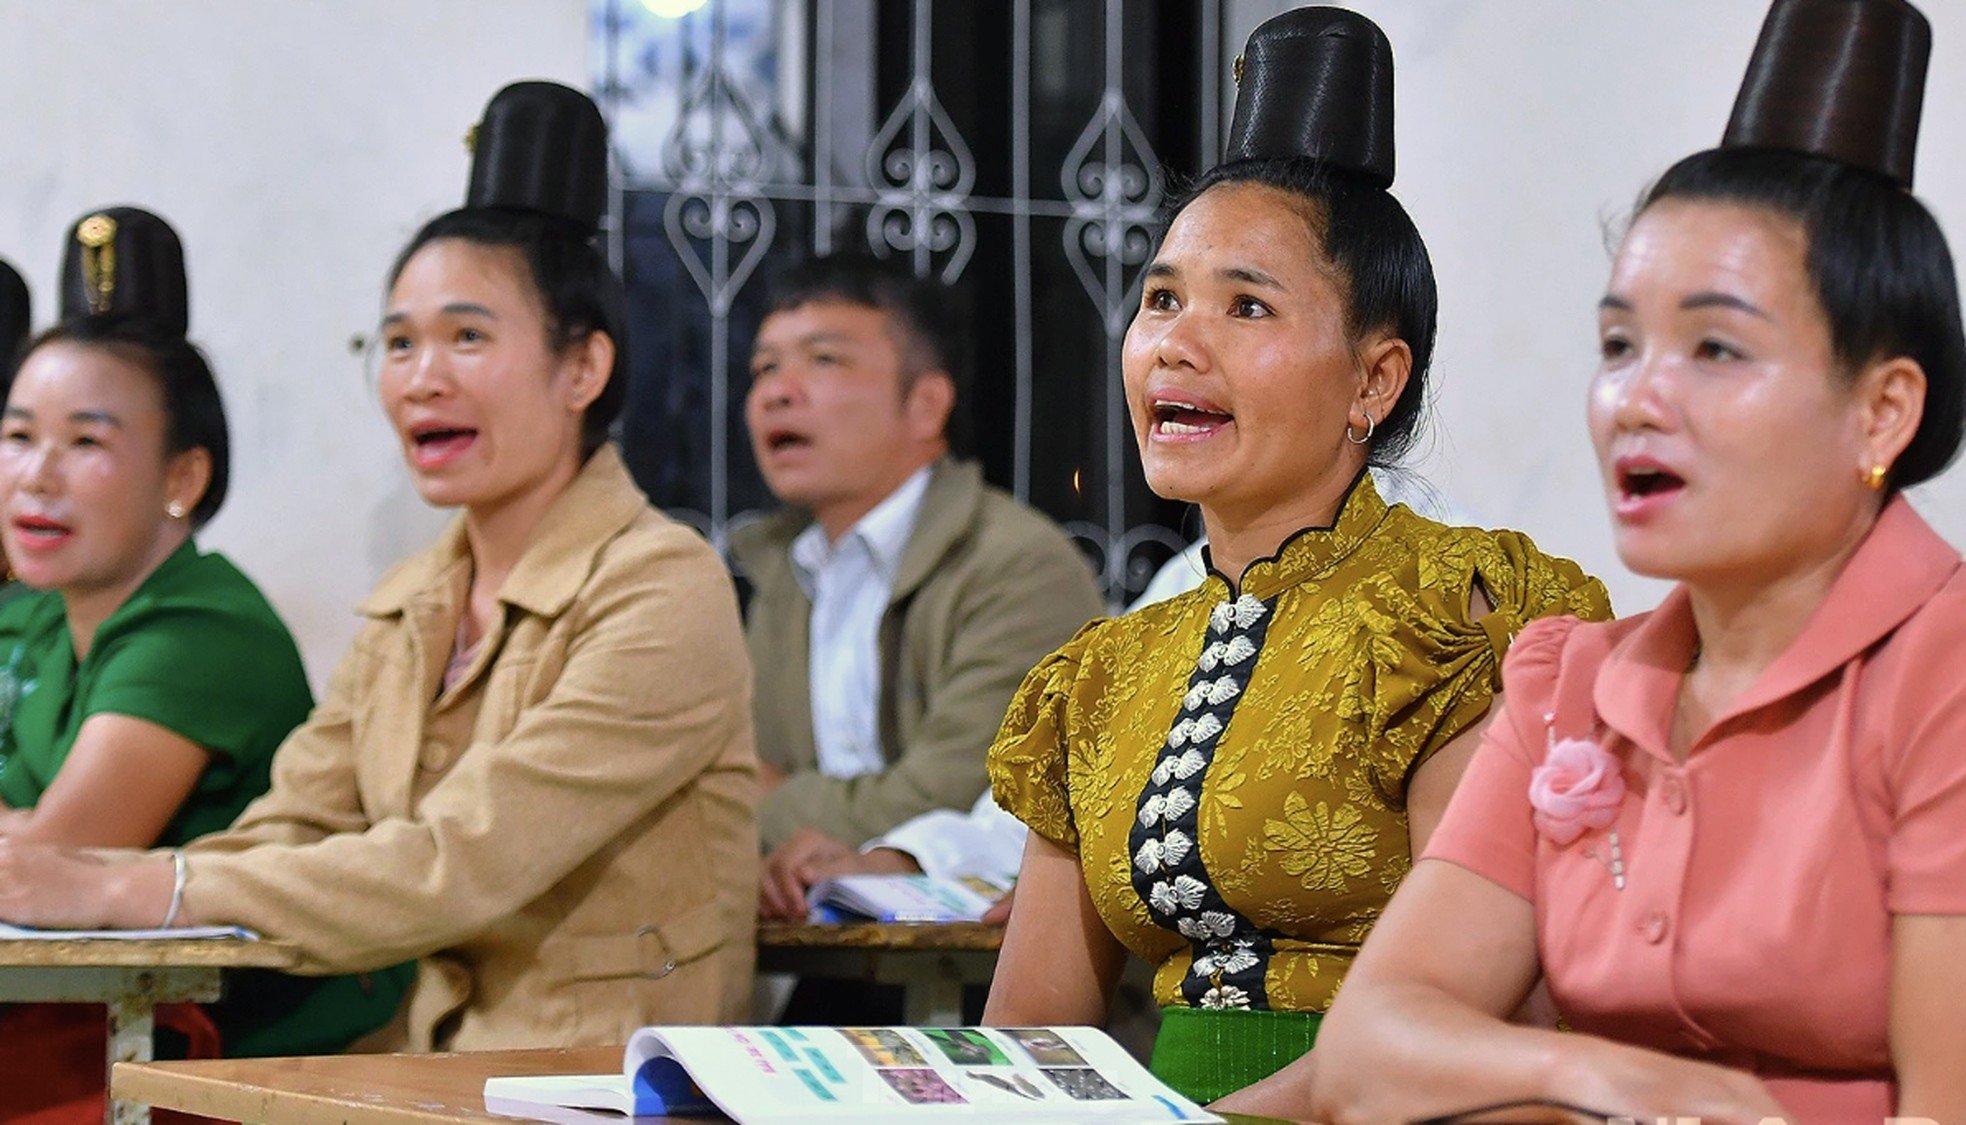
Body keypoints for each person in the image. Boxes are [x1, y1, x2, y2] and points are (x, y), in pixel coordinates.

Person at [1305, 2, 1966, 1122]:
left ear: (1880, 411)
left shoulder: (1943, 677)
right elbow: (1370, 1049)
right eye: (1619, 344)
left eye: (1715, 348)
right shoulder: (1568, 685)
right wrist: (1599, 1072)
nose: (1636, 400)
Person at [0, 81, 759, 1051]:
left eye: (467, 336)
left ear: (583, 370)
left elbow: (462, 858)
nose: (420, 376)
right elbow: (293, 823)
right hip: (408, 1067)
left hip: (599, 1076)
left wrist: (121, 885)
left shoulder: (662, 586)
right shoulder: (415, 601)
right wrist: (122, 885)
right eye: (398, 342)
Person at [981, 6, 1611, 1106]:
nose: (1177, 338)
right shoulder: (1104, 676)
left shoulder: (1455, 614)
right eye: (1162, 298)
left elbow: (1496, 1008)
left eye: (1247, 305)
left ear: (1374, 380)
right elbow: (1027, 1039)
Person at [0, 209, 407, 1121]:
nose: (36, 474)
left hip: (244, 1061)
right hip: (84, 1024)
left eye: (87, 442)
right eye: (19, 434)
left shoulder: (204, 630)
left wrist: (25, 827)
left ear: (184, 478)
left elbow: (39, 870)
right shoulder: (33, 615)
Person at [733, 254, 1102, 921]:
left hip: (979, 967)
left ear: (926, 403)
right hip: (817, 956)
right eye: (763, 367)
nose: (777, 391)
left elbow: (959, 792)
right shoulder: (782, 577)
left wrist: (765, 796)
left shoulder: (1016, 564)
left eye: (822, 360)